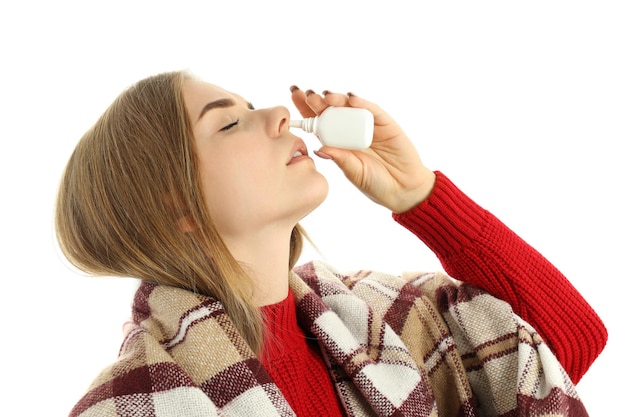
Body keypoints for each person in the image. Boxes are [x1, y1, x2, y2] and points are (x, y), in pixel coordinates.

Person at [56, 71, 607, 417]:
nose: (277, 115)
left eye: (252, 106)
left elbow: (567, 344)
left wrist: (421, 195)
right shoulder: (130, 403)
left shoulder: (384, 316)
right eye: (228, 125)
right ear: (173, 204)